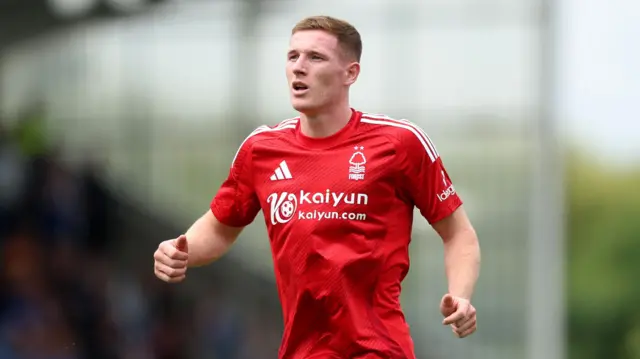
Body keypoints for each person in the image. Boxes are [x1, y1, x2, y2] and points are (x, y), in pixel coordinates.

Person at [153, 15, 481, 359]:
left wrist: (460, 296)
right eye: (293, 56)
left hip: (378, 350)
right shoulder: (261, 149)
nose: (299, 67)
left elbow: (458, 233)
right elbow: (221, 227)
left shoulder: (399, 143)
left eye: (315, 57)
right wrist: (182, 250)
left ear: (350, 73)